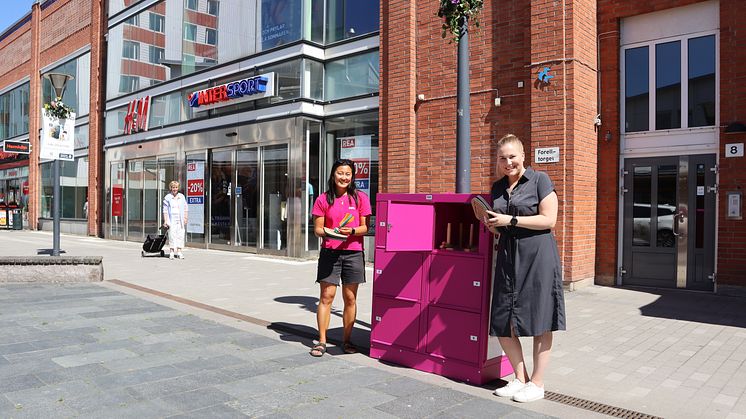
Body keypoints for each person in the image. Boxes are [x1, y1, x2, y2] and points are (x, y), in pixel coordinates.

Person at [483, 134, 566, 403]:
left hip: (538, 256)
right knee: (502, 319)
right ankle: (520, 378)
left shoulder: (540, 180)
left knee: (540, 320)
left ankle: (537, 383)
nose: (508, 162)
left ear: (523, 156)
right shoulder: (497, 188)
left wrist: (512, 219)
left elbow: (549, 220)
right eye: (502, 158)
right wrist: (494, 225)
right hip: (508, 255)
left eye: (512, 157)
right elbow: (501, 223)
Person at [309, 159, 371, 357]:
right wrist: (329, 232)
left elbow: (365, 228)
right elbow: (318, 229)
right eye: (340, 173)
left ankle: (346, 340)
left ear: (352, 176)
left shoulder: (360, 198)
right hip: (330, 253)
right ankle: (322, 341)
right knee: (326, 297)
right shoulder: (323, 199)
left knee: (350, 298)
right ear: (333, 175)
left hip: (353, 252)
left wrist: (351, 230)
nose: (344, 177)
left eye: (348, 174)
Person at [162, 180, 188, 260]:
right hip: (171, 219)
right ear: (171, 188)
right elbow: (165, 210)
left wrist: (185, 218)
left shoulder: (182, 196)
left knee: (180, 235)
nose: (175, 189)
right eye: (173, 187)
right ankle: (172, 252)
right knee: (172, 235)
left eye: (176, 187)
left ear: (178, 188)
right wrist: (166, 221)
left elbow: (186, 208)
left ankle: (179, 252)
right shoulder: (167, 197)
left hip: (180, 219)